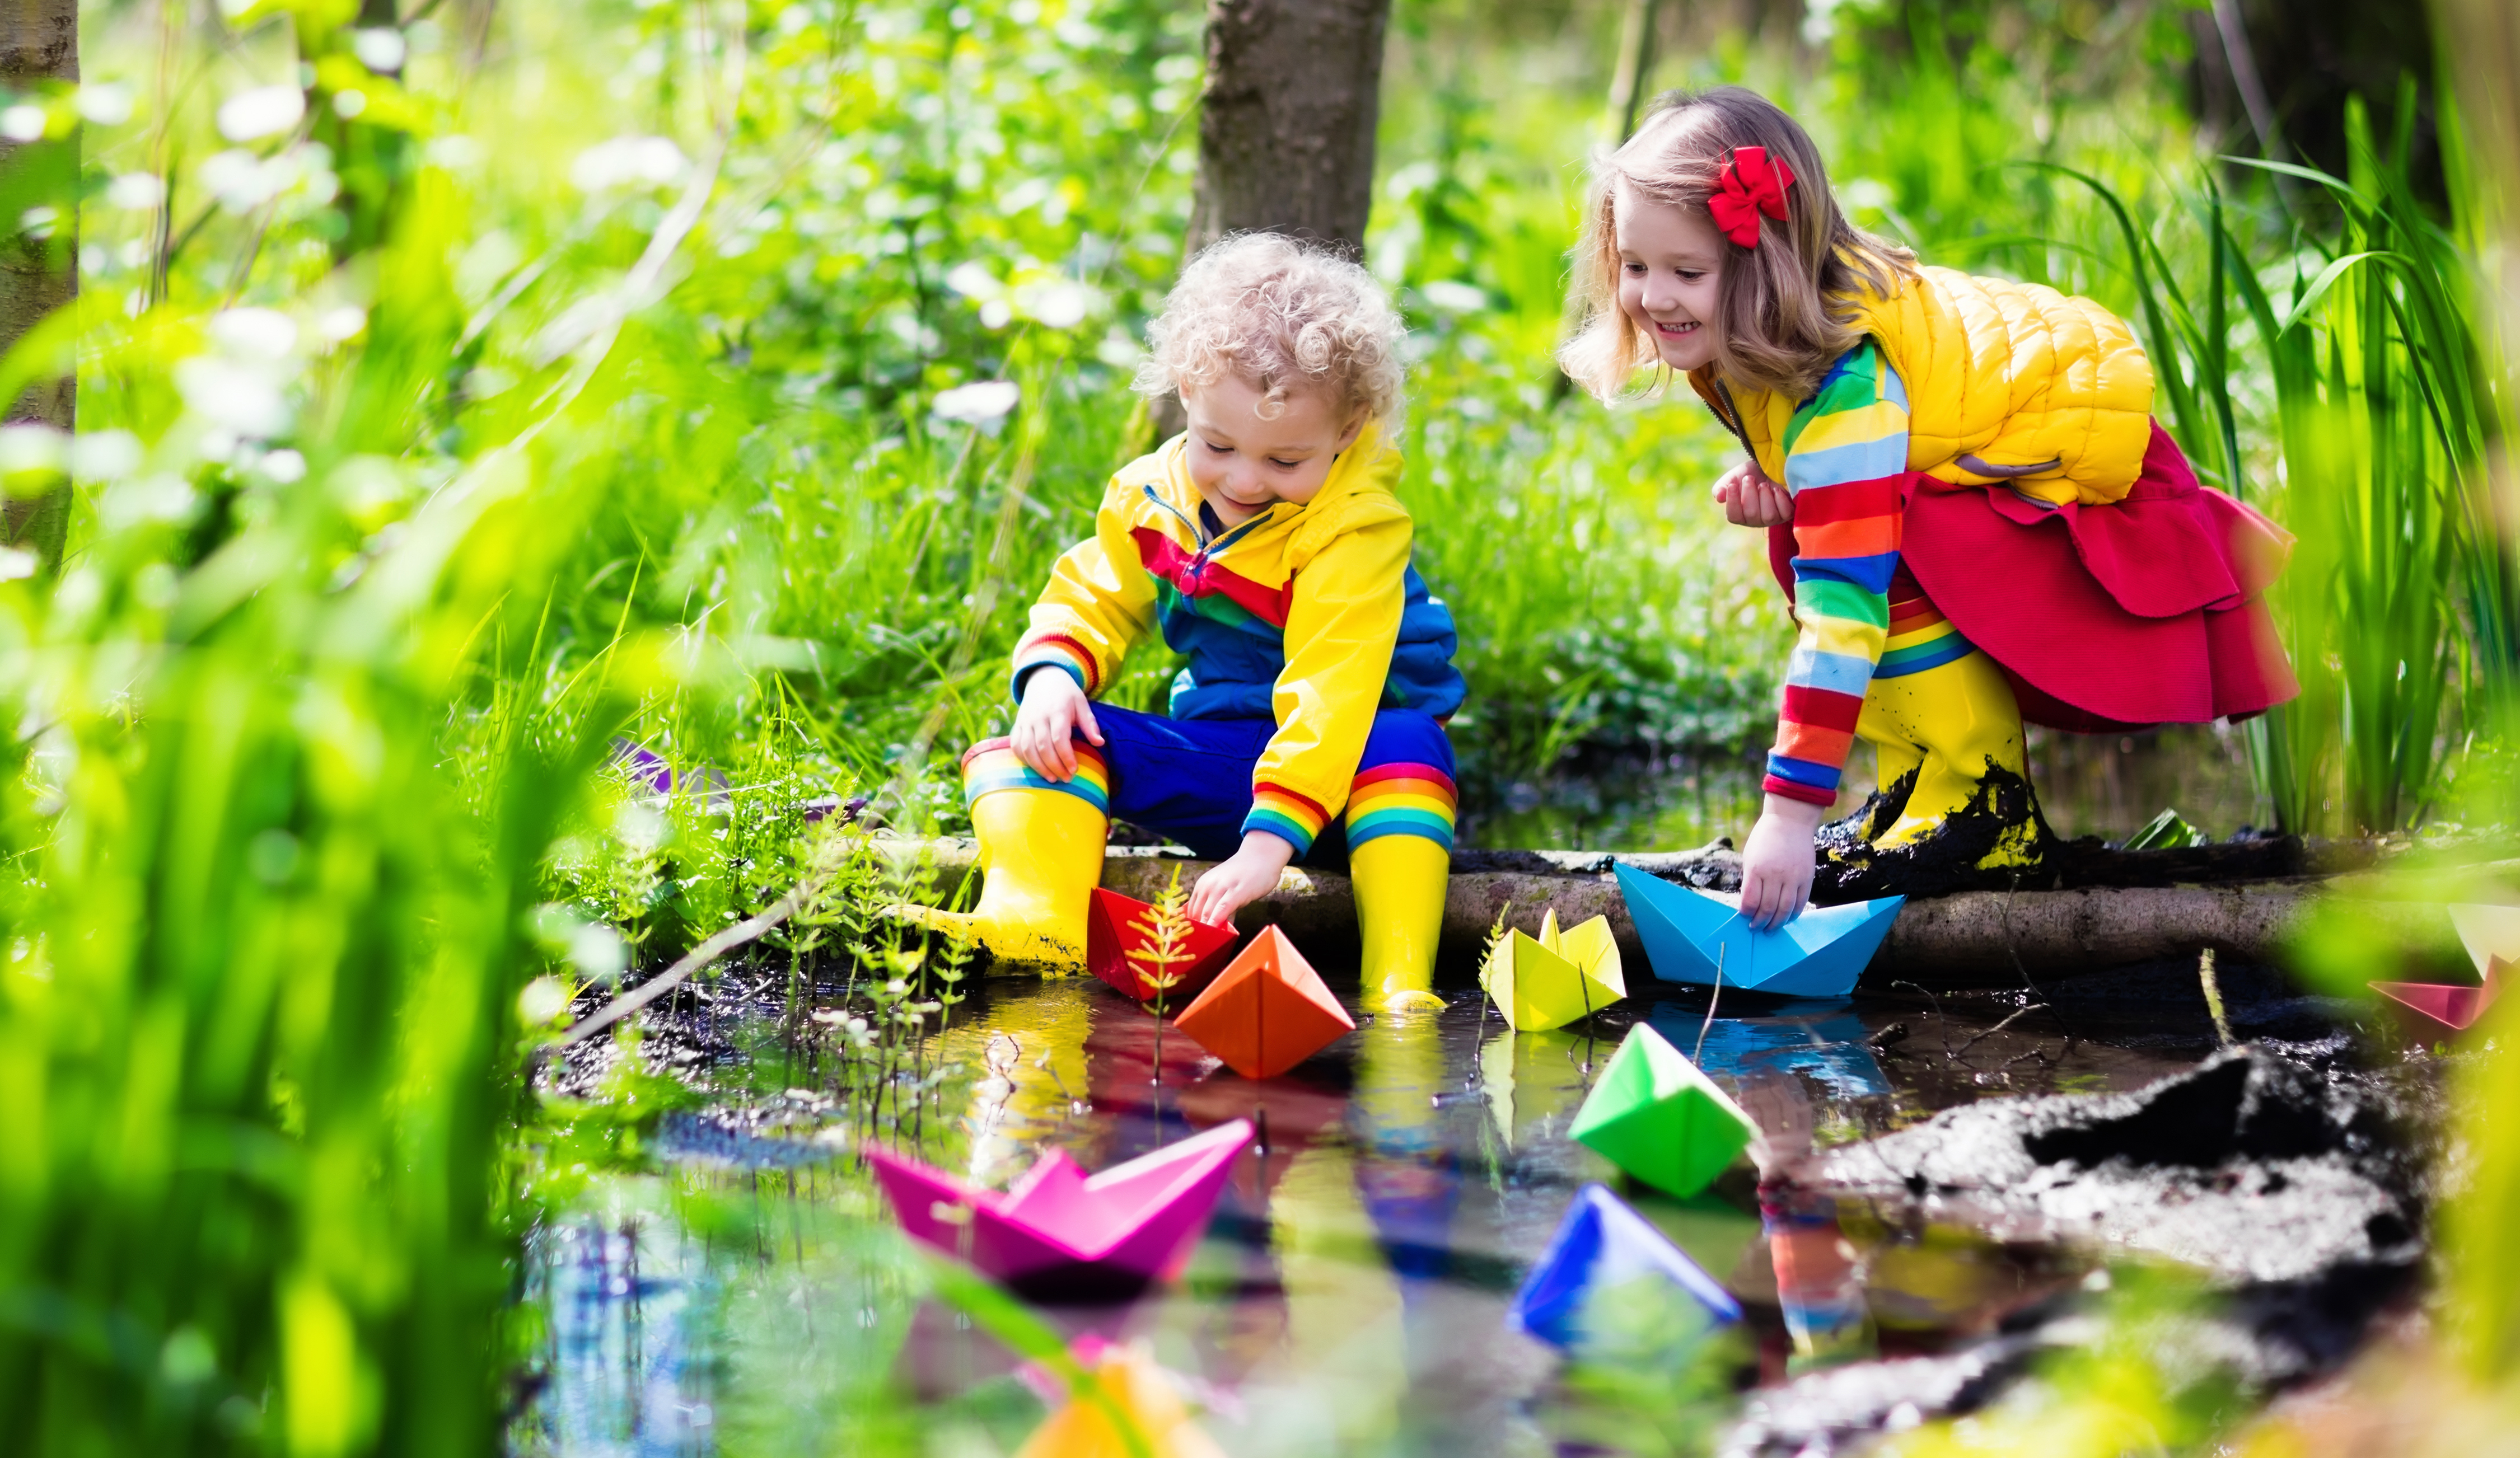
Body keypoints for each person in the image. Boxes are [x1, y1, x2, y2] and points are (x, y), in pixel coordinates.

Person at [1561, 86, 2295, 928]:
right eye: (1635, 267)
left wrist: (1788, 815)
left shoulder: (1848, 390)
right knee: (1824, 533)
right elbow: (1808, 450)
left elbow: (1845, 611)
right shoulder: (1743, 332)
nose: (1653, 297)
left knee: (1876, 556)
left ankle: (1981, 801)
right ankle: (1916, 785)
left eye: (1686, 271)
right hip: (1956, 444)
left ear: (1767, 268)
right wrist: (1779, 478)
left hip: (2056, 455)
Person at [919, 232, 1465, 1010]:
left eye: (1285, 462)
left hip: (1354, 786)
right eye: (1219, 444)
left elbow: (1329, 691)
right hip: (1230, 769)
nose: (1244, 479)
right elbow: (1094, 593)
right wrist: (1050, 676)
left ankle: (1396, 981)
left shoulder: (1354, 527)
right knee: (1045, 736)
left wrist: (1265, 848)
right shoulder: (1150, 495)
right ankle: (1031, 926)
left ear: (1348, 432)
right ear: (1185, 392)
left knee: (1405, 735)